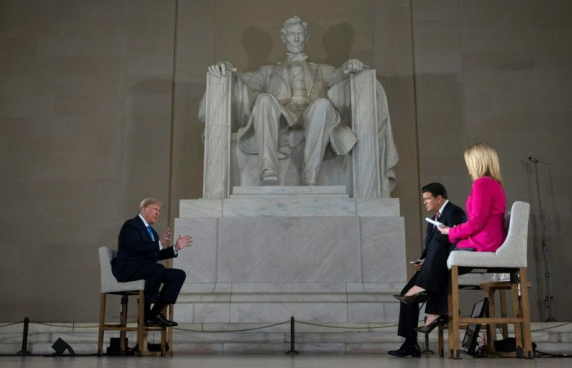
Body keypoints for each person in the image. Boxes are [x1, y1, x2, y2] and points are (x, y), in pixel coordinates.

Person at [206, 16, 394, 187]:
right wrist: (228, 68)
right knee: (264, 100)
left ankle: (311, 175)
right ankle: (269, 172)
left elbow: (339, 75)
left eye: (299, 35)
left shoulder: (320, 70)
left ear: (306, 36)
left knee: (323, 104)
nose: (296, 39)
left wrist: (351, 66)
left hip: (311, 117)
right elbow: (244, 78)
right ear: (283, 38)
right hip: (281, 119)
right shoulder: (269, 71)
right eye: (291, 35)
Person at [387, 183, 466, 357]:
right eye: (423, 200)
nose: (425, 203)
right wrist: (422, 260)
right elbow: (431, 247)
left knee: (413, 293)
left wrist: (430, 260)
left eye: (427, 199)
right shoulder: (432, 220)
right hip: (431, 266)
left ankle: (436, 311)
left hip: (446, 265)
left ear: (439, 198)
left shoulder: (455, 212)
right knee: (406, 294)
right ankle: (410, 344)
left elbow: (451, 240)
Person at [112, 198, 193, 327]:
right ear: (144, 209)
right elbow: (135, 248)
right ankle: (146, 313)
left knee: (178, 275)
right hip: (128, 270)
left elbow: (154, 255)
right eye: (155, 209)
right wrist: (159, 243)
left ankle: (153, 314)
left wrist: (175, 248)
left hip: (146, 270)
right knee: (156, 269)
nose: (158, 213)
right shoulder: (131, 225)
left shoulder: (153, 233)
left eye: (159, 211)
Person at [438, 141, 507, 252]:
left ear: (477, 163)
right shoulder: (495, 184)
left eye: (469, 164)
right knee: (441, 244)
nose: (468, 170)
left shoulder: (482, 184)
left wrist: (452, 231)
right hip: (492, 239)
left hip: (485, 241)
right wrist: (455, 230)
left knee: (441, 244)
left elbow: (476, 222)